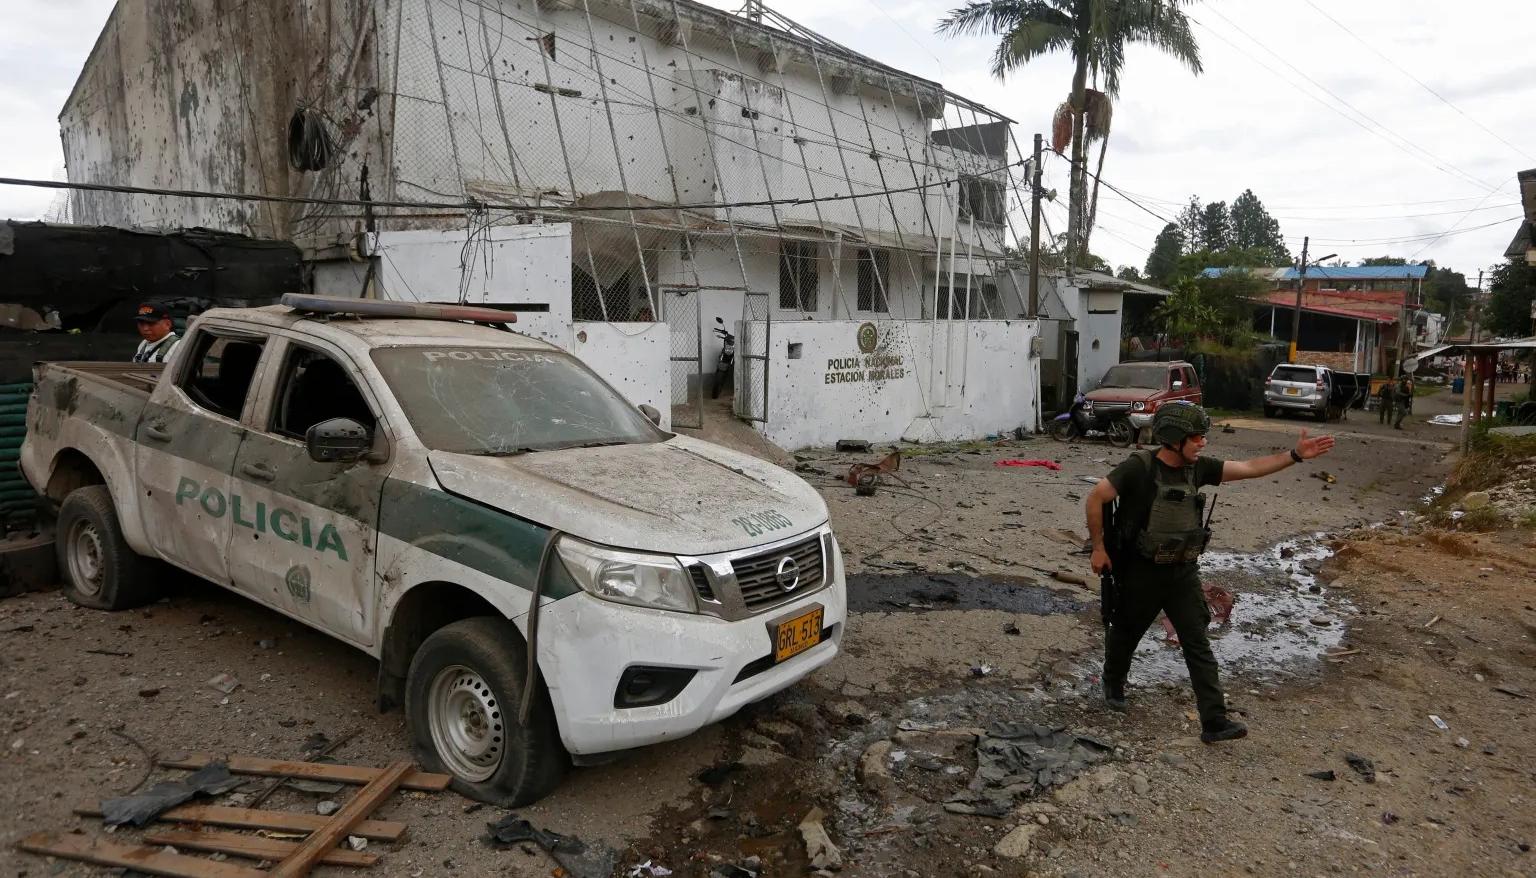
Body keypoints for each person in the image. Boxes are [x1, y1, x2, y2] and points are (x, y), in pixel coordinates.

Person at [1085, 403, 1335, 744]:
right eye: (1196, 437)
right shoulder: (1138, 469)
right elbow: (1097, 496)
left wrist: (1295, 455)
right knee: (1126, 633)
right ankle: (1113, 683)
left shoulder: (1198, 469)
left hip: (1182, 573)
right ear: (1174, 439)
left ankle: (1214, 721)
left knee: (1197, 642)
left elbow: (1248, 467)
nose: (1203, 443)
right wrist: (1099, 548)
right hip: (1140, 572)